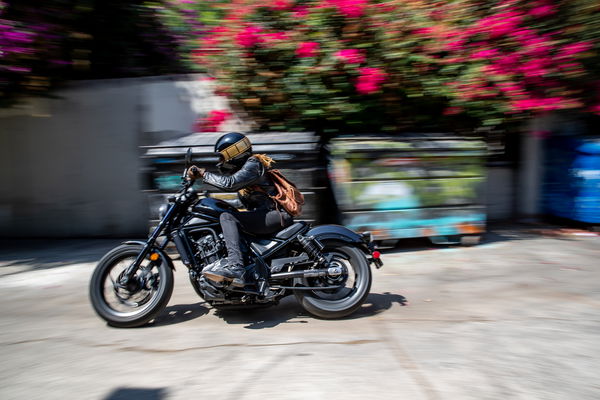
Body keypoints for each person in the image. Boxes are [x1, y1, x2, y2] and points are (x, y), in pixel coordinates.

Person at [187, 132, 293, 287]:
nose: (220, 162)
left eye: (222, 157)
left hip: (274, 215)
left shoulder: (253, 163)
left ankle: (236, 268)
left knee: (227, 218)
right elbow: (239, 197)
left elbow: (229, 183)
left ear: (233, 153)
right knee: (226, 215)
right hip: (264, 215)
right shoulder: (246, 170)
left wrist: (203, 174)